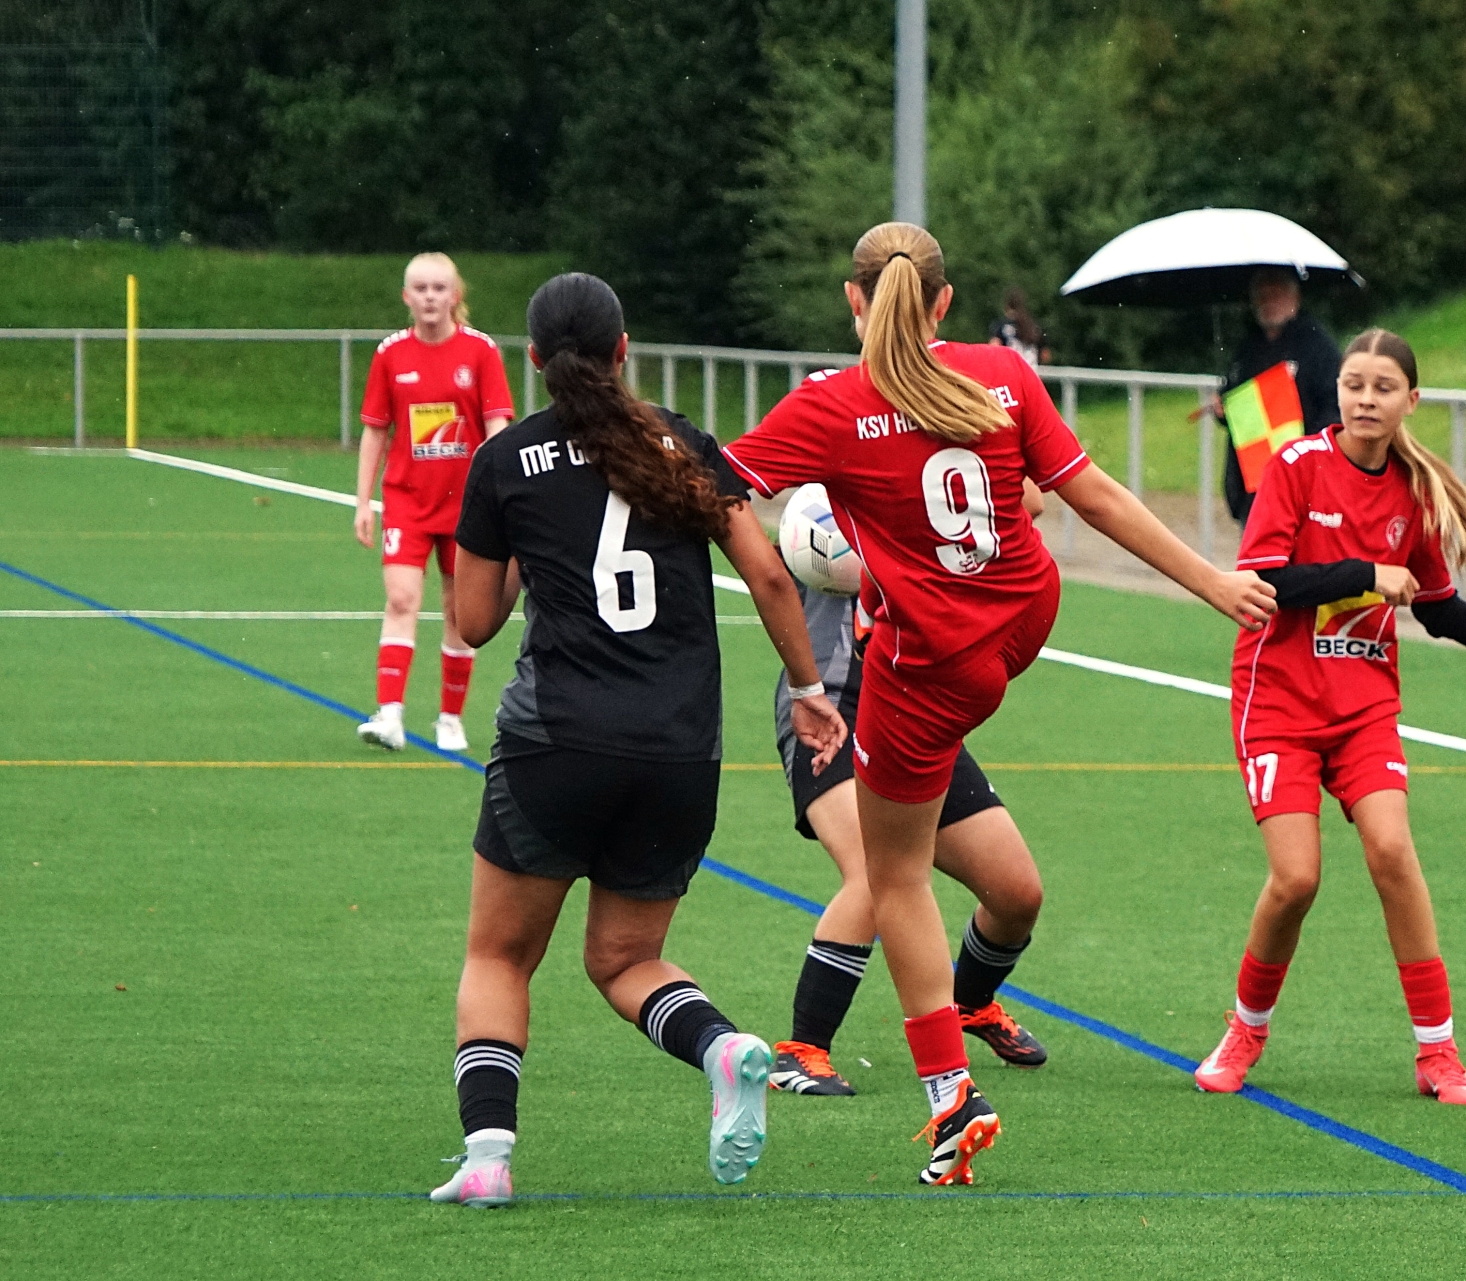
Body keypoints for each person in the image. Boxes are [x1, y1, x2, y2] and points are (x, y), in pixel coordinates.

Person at [720, 222, 1276, 1185]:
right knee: (982, 868)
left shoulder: (832, 403)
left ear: (854, 300)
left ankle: (950, 1099)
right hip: (1019, 620)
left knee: (895, 877)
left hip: (926, 670)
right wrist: (1214, 581)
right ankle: (954, 1015)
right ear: (943, 301)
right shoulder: (1000, 373)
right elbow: (1091, 494)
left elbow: (708, 489)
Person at [427, 273, 847, 1207]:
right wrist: (810, 692)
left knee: (500, 956)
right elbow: (772, 578)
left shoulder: (505, 459)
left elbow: (473, 621)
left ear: (534, 361)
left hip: (555, 745)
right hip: (677, 752)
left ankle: (488, 1157)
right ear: (625, 351)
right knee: (624, 958)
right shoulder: (683, 444)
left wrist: (525, 542)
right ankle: (721, 1048)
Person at [1195, 328, 1466, 1105]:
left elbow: (1434, 602)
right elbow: (1266, 579)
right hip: (1278, 701)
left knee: (1392, 851)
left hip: (1363, 706)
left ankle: (1438, 1052)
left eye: (1382, 387)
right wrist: (1365, 574)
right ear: (1337, 392)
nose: (1365, 399)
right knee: (1296, 878)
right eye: (1353, 384)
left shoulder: (1415, 490)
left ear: (1412, 400)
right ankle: (1245, 1030)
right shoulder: (1296, 465)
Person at [768, 569, 1049, 1097]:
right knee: (872, 875)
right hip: (829, 702)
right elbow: (773, 571)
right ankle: (801, 1051)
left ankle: (970, 1004)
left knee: (1015, 892)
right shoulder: (822, 519)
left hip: (912, 706)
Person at [353, 253, 515, 753]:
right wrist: (363, 501)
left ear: (454, 296)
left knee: (458, 610)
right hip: (407, 501)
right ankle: (390, 715)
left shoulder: (481, 352)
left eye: (438, 288)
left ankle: (450, 718)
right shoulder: (390, 354)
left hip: (465, 505)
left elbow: (497, 428)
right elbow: (375, 430)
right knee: (401, 598)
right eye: (420, 288)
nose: (429, 297)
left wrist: (499, 497)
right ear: (406, 297)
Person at [1215, 269, 1343, 524]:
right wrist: (1223, 408)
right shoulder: (1247, 348)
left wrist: (1306, 447)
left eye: (1276, 295)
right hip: (1253, 485)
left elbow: (1335, 408)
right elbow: (1235, 402)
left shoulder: (1319, 347)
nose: (1268, 302)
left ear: (1295, 297)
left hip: (1303, 481)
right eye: (1262, 296)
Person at [986, 288, 1049, 367]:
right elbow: (1045, 356)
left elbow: (993, 349)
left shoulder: (1001, 326)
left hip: (1010, 370)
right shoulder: (1034, 327)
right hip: (1030, 370)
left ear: (1006, 305)